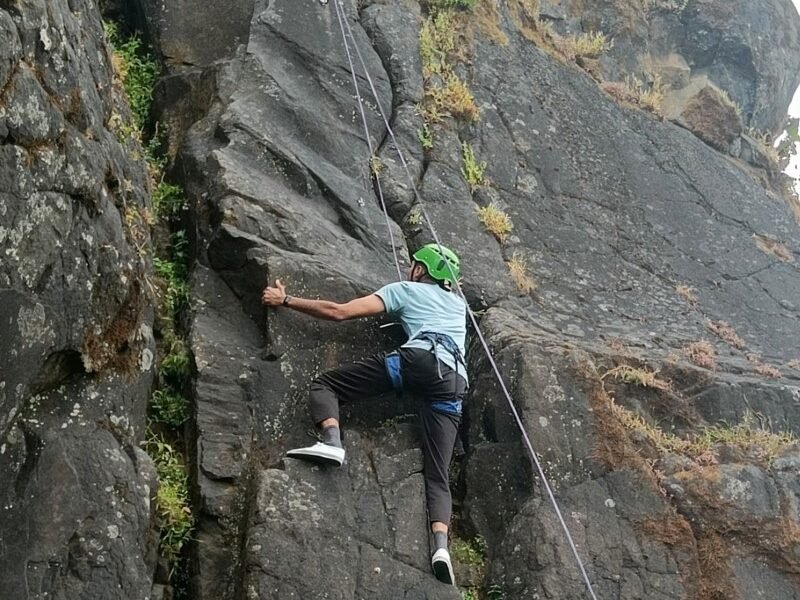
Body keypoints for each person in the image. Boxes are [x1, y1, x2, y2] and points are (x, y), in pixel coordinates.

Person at [261, 243, 469, 586]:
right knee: (438, 475)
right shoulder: (458, 306)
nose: (410, 268)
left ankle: (331, 441)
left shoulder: (405, 290)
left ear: (422, 270)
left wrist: (285, 300)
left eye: (414, 264)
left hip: (417, 362)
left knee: (326, 386)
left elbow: (338, 311)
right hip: (453, 382)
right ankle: (441, 548)